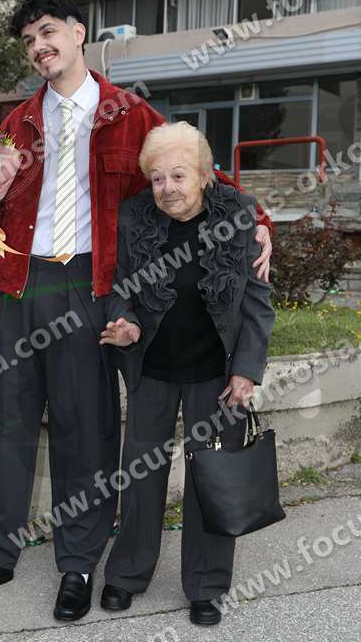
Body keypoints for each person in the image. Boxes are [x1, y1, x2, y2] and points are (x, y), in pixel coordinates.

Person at [0, 0, 273, 621]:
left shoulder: (131, 113)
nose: (39, 47)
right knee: (5, 423)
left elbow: (192, 166)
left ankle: (77, 563)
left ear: (78, 33)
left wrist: (257, 220)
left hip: (89, 286)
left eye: (47, 32)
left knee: (84, 430)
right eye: (28, 41)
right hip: (19, 284)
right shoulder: (17, 123)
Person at [99, 121, 276, 627]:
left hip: (217, 374)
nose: (167, 188)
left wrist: (246, 371)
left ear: (202, 175)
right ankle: (126, 574)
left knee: (211, 479)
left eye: (178, 176)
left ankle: (207, 585)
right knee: (139, 476)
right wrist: (127, 324)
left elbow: (258, 302)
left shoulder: (238, 215)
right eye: (157, 178)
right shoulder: (134, 216)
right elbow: (120, 286)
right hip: (153, 368)